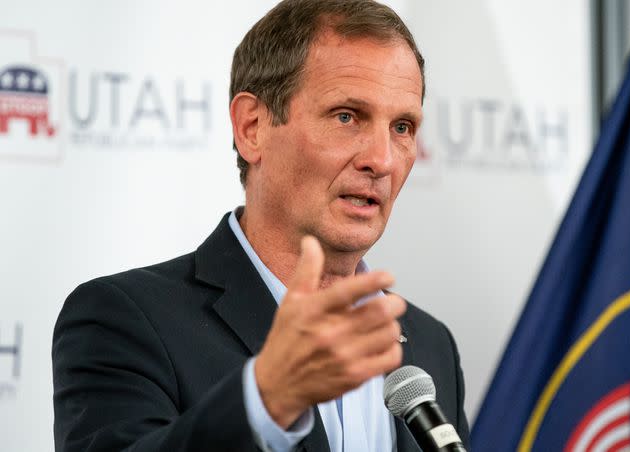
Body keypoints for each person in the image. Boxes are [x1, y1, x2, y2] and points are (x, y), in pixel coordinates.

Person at [51, 1, 470, 451]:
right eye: (347, 116)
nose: (382, 160)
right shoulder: (124, 319)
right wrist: (266, 402)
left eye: (402, 127)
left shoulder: (429, 344)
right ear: (252, 127)